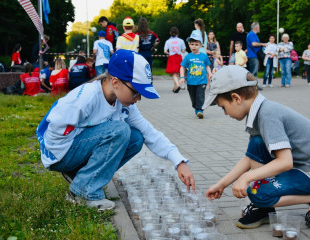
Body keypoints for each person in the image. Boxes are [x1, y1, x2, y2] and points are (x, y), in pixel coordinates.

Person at [36, 49, 196, 211]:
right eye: (135, 92)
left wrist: (179, 161)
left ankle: (82, 176)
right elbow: (54, 130)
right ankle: (83, 192)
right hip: (60, 153)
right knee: (120, 130)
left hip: (75, 149)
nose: (138, 99)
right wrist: (66, 158)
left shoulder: (123, 105)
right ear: (115, 82)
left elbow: (150, 133)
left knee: (136, 138)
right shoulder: (87, 97)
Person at [203, 65, 310, 231]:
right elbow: (251, 157)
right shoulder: (259, 111)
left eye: (223, 107)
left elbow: (285, 162)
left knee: (257, 193)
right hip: (307, 166)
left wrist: (247, 178)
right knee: (256, 144)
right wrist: (222, 184)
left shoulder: (267, 114)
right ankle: (265, 207)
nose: (225, 113)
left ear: (236, 98)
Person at [179, 32, 212, 119]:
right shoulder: (188, 57)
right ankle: (196, 107)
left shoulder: (204, 56)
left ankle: (200, 110)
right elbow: (182, 67)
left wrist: (210, 74)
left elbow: (207, 66)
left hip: (202, 81)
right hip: (191, 82)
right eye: (192, 44)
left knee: (200, 96)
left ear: (201, 45)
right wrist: (182, 77)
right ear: (189, 45)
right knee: (193, 98)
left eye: (196, 44)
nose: (194, 46)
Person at [164, 27, 186, 93]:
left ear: (170, 33)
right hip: (178, 57)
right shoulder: (181, 40)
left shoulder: (168, 41)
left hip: (172, 57)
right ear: (178, 33)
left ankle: (178, 85)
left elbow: (165, 51)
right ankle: (175, 88)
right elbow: (183, 50)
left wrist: (169, 53)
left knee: (173, 73)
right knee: (177, 73)